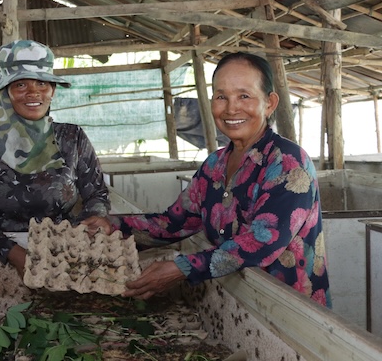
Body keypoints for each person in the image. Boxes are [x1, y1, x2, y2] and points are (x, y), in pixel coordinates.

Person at [95, 52, 330, 307]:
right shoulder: (214, 166)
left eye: (244, 96)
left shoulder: (288, 163)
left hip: (292, 311)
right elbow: (174, 223)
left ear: (270, 103)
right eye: (221, 97)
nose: (231, 108)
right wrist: (113, 227)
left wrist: (182, 268)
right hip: (242, 303)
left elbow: (263, 242)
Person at [0, 40, 111, 278]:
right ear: (5, 92)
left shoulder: (72, 138)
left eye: (42, 83)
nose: (33, 92)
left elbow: (97, 194)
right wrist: (13, 253)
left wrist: (83, 232)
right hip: (0, 257)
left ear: (53, 90)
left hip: (65, 252)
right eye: (20, 85)